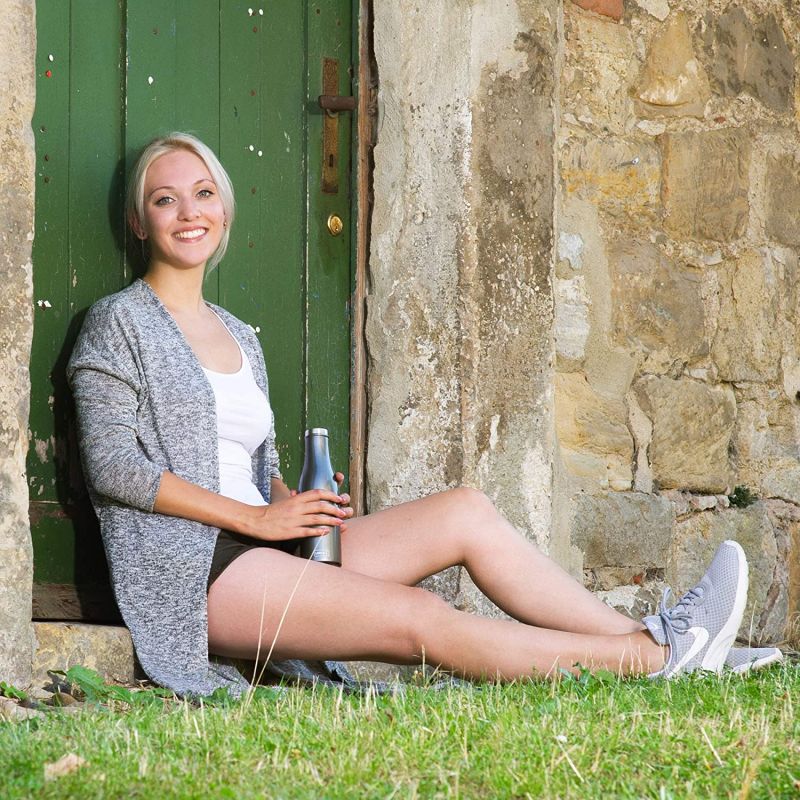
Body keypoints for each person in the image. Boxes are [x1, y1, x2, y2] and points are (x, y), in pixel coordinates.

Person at [67, 133, 783, 698]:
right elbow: (115, 468)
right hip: (198, 572)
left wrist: (294, 503)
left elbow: (261, 468)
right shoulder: (117, 324)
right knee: (422, 620)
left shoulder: (238, 335)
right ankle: (655, 659)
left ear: (224, 210)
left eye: (203, 194)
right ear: (138, 221)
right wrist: (257, 519)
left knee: (466, 510)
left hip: (270, 545)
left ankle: (663, 638)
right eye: (165, 200)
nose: (188, 212)